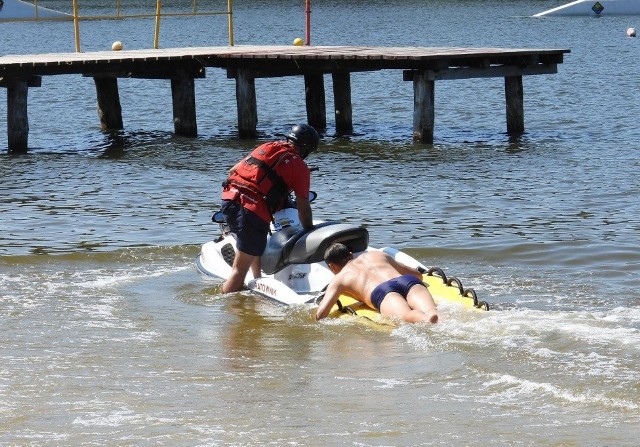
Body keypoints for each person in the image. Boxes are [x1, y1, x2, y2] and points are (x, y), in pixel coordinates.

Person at [220, 123, 320, 293]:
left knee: (257, 240)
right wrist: (309, 231)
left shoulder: (267, 146)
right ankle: (230, 310)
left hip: (229, 200)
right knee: (239, 270)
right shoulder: (300, 167)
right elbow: (303, 207)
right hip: (250, 210)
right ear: (306, 148)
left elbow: (233, 171)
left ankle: (257, 278)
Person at [316, 243, 439, 324]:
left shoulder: (339, 279)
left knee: (405, 315)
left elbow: (321, 313)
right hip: (407, 281)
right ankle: (433, 315)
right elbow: (418, 275)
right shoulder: (377, 254)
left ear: (331, 266)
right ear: (350, 255)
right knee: (431, 309)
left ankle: (424, 319)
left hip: (382, 291)